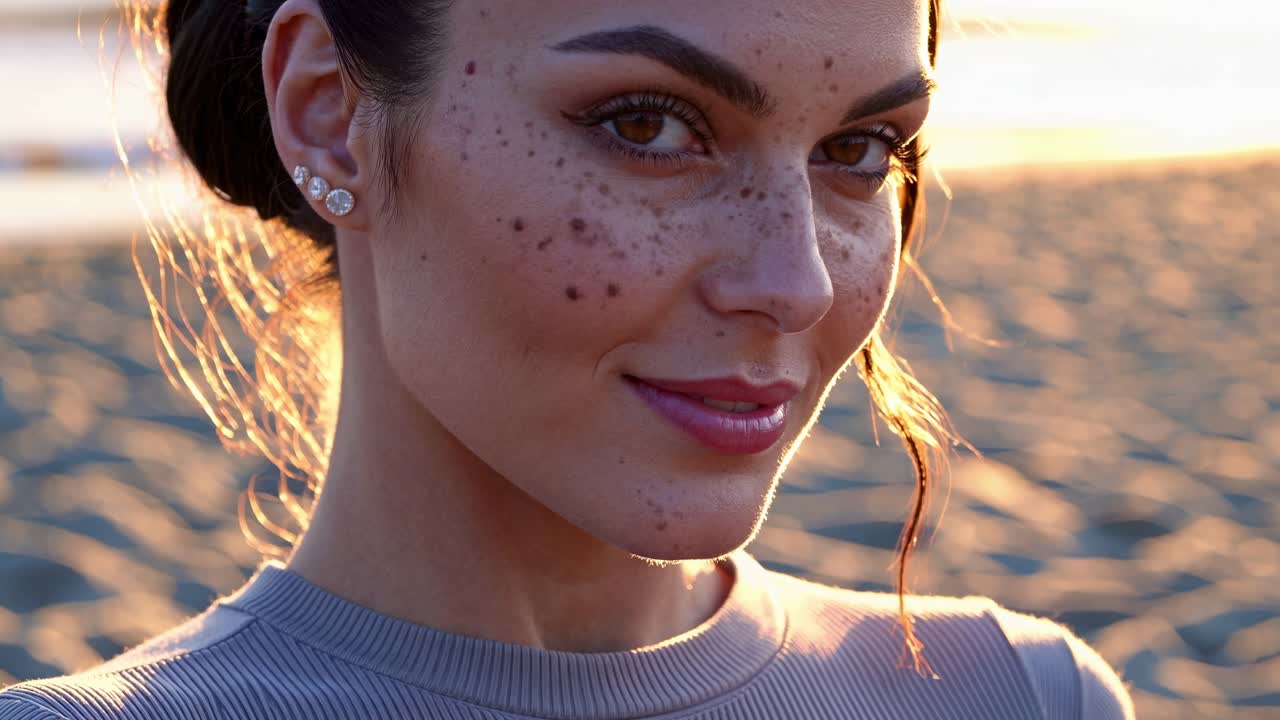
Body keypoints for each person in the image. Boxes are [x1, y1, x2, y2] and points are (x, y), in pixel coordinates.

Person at [0, 0, 1136, 717]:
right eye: (646, 124)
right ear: (325, 114)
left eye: (856, 150)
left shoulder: (1016, 694)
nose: (795, 283)